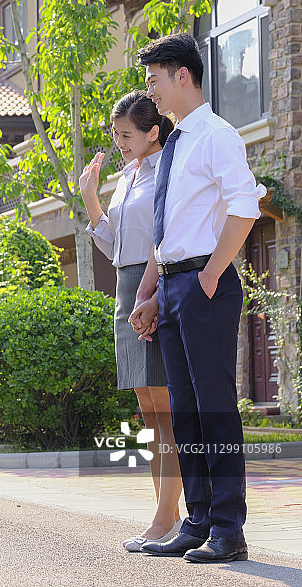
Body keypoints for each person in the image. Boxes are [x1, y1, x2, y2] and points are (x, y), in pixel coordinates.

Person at [129, 33, 264, 563]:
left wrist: (210, 274)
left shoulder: (216, 135)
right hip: (174, 285)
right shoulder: (178, 142)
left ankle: (229, 527)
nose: (151, 92)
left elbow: (245, 207)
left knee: (215, 410)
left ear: (182, 75)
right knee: (185, 410)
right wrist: (154, 291)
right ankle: (199, 519)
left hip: (206, 284)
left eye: (154, 80)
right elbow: (170, 231)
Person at [79, 91, 183, 553]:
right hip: (126, 288)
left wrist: (152, 295)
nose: (119, 142)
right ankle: (165, 513)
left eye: (126, 135)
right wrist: (91, 200)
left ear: (152, 133)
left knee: (165, 410)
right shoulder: (130, 176)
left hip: (152, 288)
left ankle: (167, 517)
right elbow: (115, 246)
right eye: (115, 134)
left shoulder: (168, 173)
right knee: (149, 411)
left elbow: (164, 239)